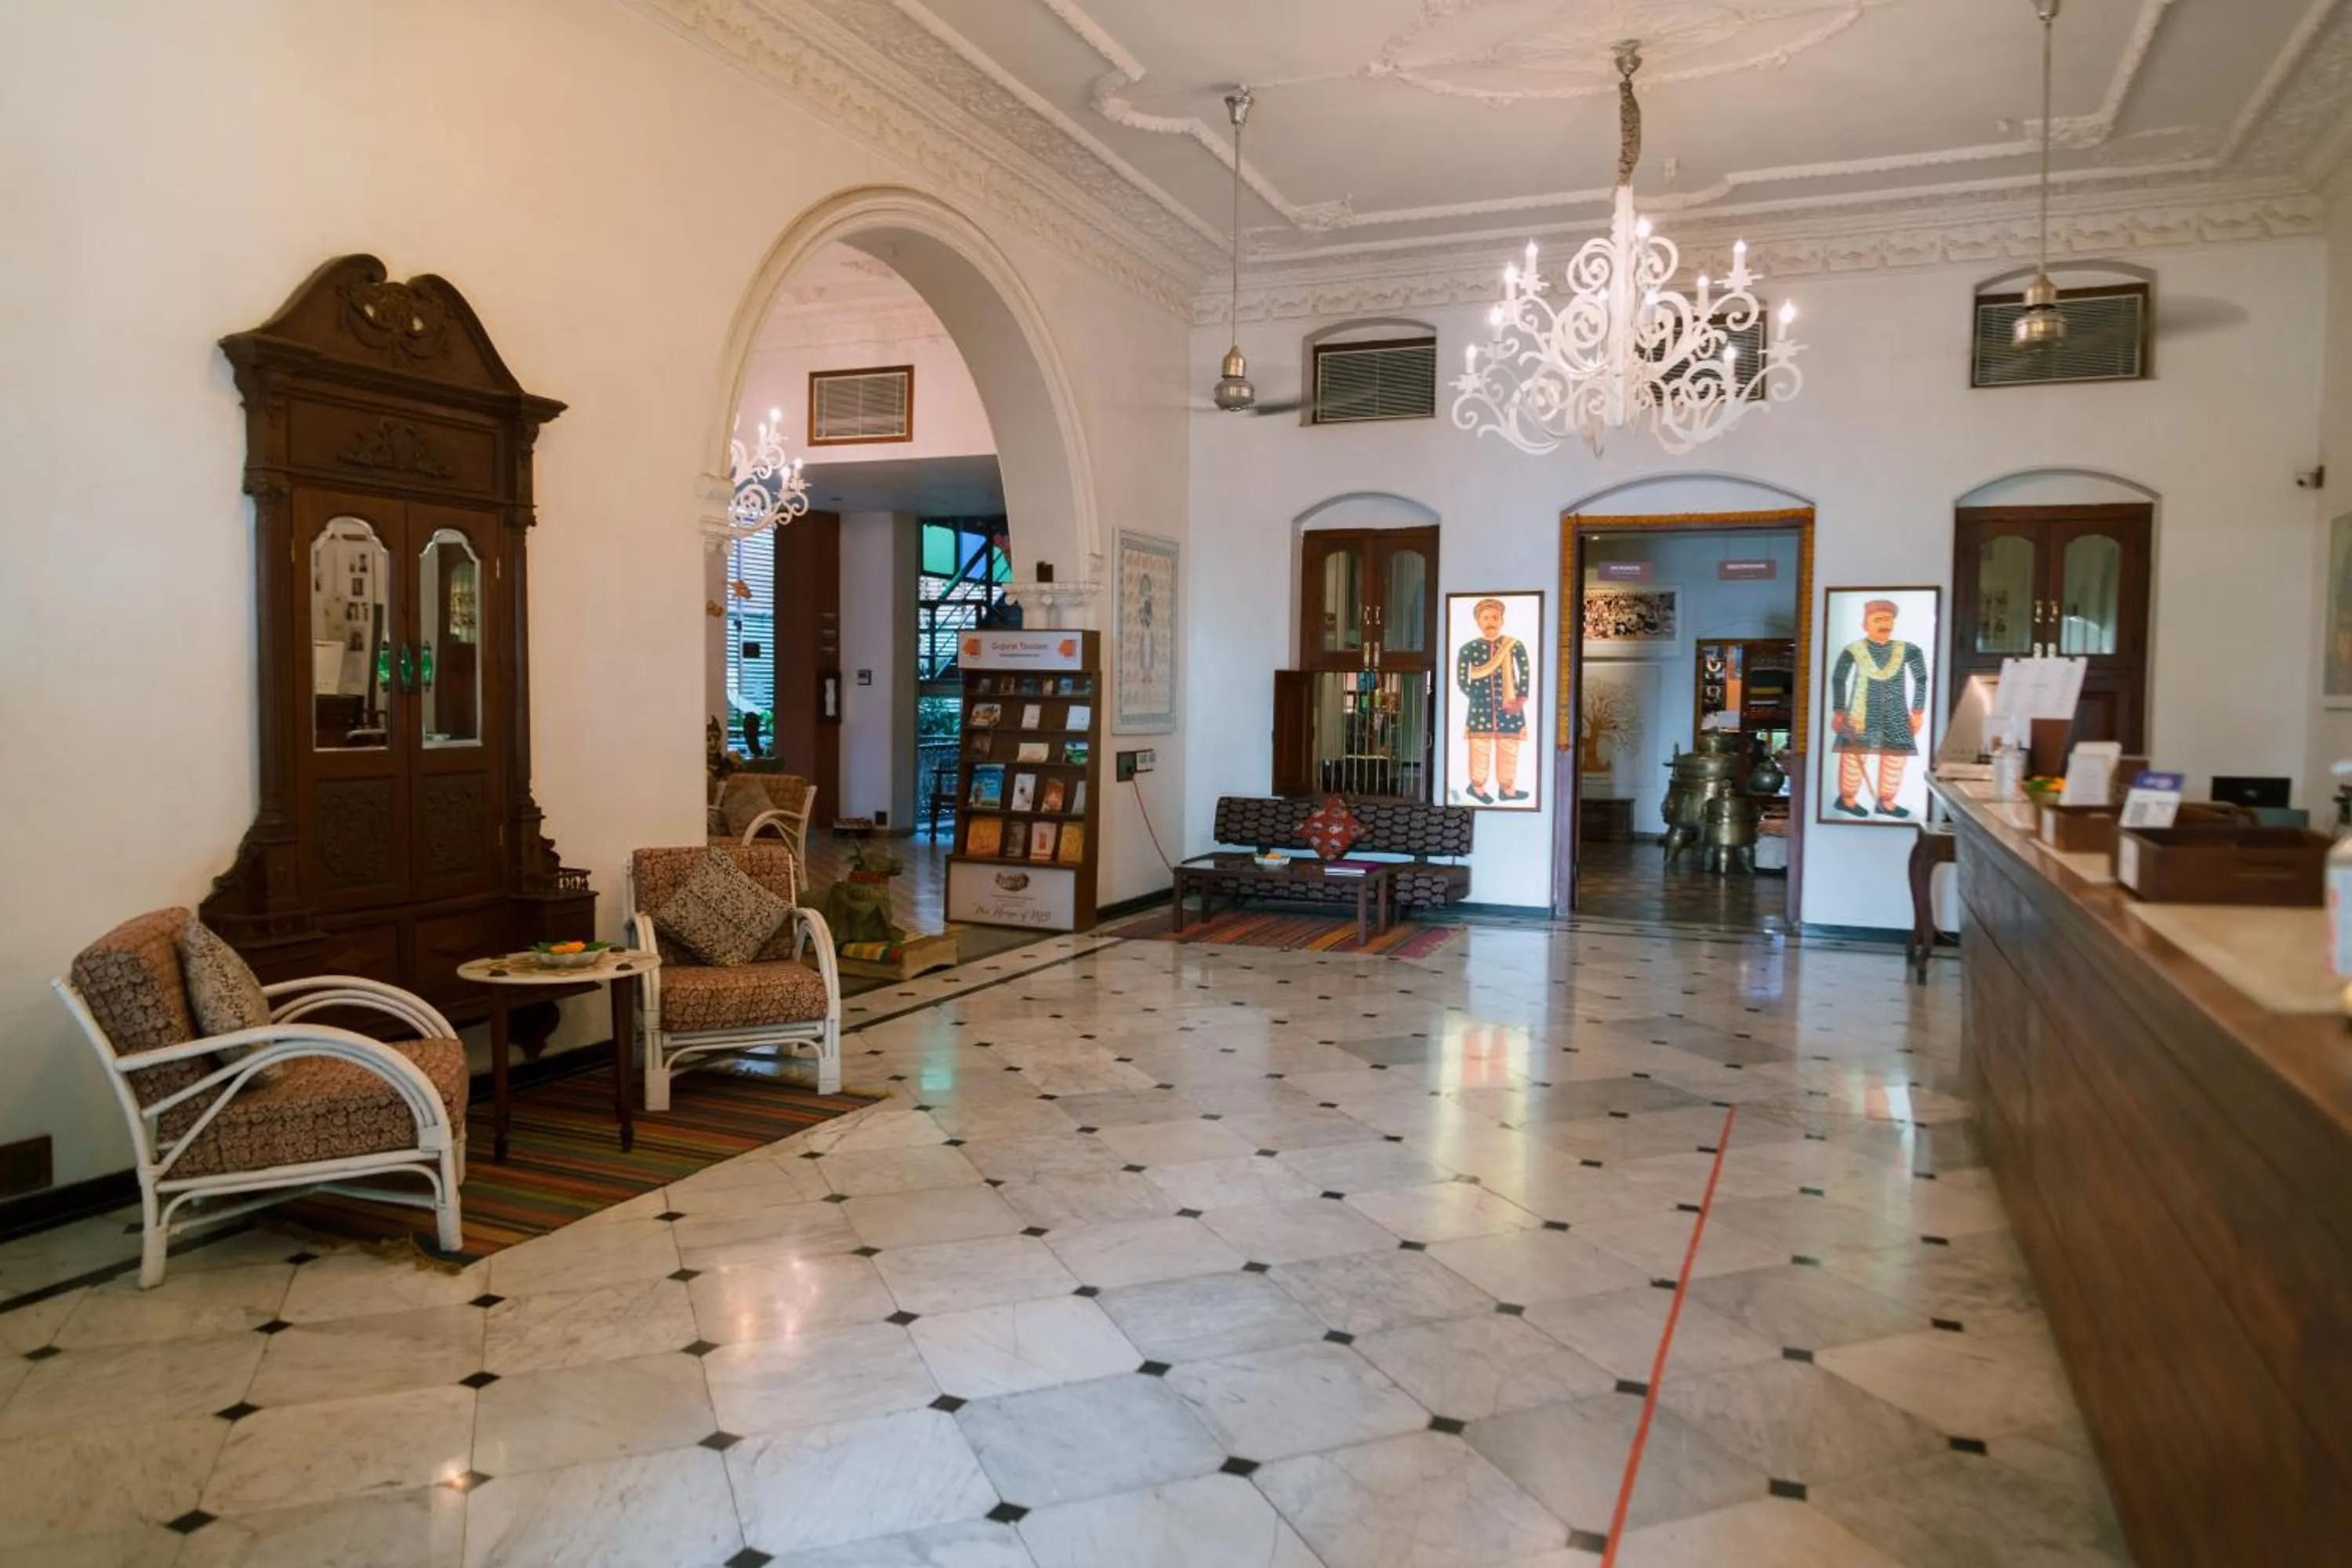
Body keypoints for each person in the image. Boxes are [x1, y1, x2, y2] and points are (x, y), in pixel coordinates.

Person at [1830, 598, 1929, 818]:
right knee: (1854, 759)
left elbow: (1921, 678)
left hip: (1895, 713)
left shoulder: (1908, 650)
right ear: (1865, 624)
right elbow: (1839, 679)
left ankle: (1886, 802)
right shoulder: (1853, 650)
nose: (1884, 624)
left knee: (1894, 760)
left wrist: (1918, 712)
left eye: (1888, 619)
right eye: (1878, 619)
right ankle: (1847, 799)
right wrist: (1839, 711)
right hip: (1860, 714)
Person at [1456, 597, 1530, 803]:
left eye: (1495, 617)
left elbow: (1524, 672)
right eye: (1486, 617)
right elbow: (1462, 681)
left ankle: (1507, 789)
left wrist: (1520, 698)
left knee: (1509, 745)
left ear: (1502, 620)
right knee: (1480, 746)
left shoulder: (1514, 645)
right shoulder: (1467, 649)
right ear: (1478, 621)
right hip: (1480, 707)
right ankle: (1477, 788)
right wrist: (1477, 697)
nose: (1491, 621)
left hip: (1510, 704)